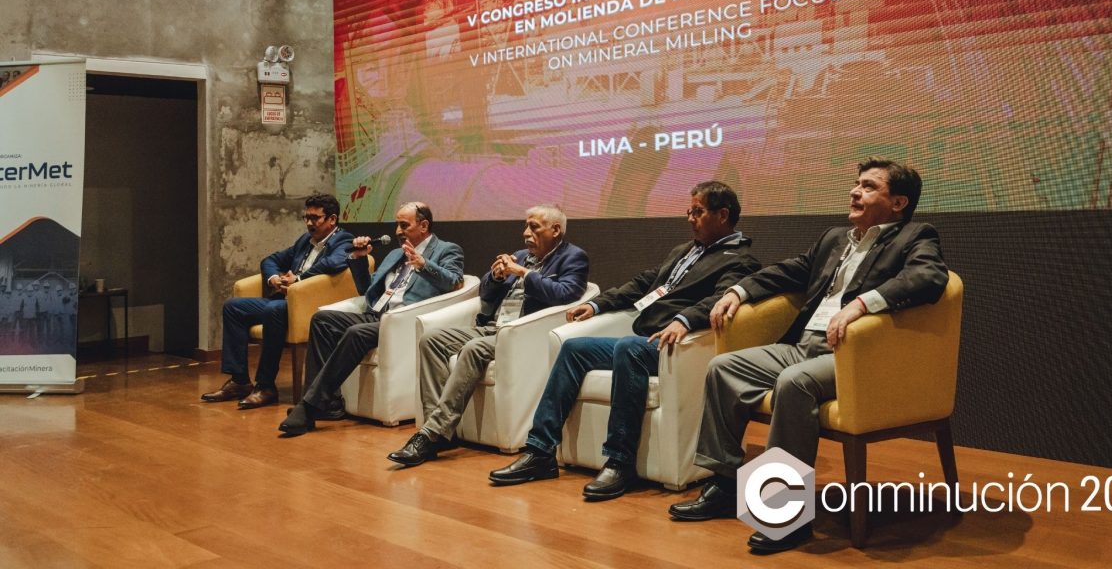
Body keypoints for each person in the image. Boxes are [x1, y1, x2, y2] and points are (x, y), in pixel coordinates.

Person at [668, 158, 948, 554]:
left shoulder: (916, 236)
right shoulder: (835, 238)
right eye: (857, 184)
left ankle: (786, 515)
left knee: (794, 383)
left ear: (898, 202)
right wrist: (738, 291)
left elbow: (929, 278)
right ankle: (725, 484)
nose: (854, 192)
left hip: (853, 354)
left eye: (868, 186)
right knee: (724, 368)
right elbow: (790, 271)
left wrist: (862, 305)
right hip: (803, 344)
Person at [488, 181, 760, 501]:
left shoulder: (740, 260)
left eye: (697, 212)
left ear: (723, 215)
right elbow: (644, 283)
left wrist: (684, 320)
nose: (689, 218)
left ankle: (620, 461)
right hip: (646, 338)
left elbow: (719, 300)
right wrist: (596, 305)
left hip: (677, 345)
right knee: (574, 348)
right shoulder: (685, 251)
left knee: (628, 348)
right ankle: (540, 451)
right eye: (689, 211)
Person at [388, 204, 590, 467]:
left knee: (474, 348)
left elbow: (566, 294)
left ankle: (431, 434)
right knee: (432, 340)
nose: (526, 233)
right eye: (525, 226)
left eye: (534, 227)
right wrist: (495, 276)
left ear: (555, 230)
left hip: (522, 333)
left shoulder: (574, 257)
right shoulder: (521, 255)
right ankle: (437, 430)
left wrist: (524, 274)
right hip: (494, 326)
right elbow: (485, 293)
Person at [278, 201, 464, 436]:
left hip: (403, 320)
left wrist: (423, 264)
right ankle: (329, 404)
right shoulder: (396, 254)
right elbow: (367, 291)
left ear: (424, 225)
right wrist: (358, 258)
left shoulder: (447, 250)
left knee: (356, 333)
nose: (397, 231)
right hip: (377, 314)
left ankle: (309, 406)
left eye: (404, 225)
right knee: (322, 319)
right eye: (397, 225)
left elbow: (454, 281)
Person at [202, 193, 353, 409]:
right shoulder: (305, 241)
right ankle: (240, 381)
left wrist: (298, 279)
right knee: (233, 307)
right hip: (285, 300)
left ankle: (265, 386)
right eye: (307, 217)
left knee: (274, 309)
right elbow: (270, 260)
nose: (309, 223)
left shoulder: (344, 240)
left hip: (310, 305)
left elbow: (334, 263)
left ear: (332, 219)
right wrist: (274, 279)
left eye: (315, 218)